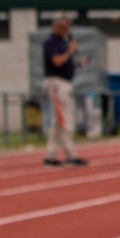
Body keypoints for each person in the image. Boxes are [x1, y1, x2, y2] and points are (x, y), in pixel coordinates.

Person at [41, 16, 86, 167]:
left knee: (58, 122)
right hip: (56, 84)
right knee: (65, 120)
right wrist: (69, 51)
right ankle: (70, 155)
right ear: (57, 26)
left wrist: (78, 63)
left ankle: (50, 155)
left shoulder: (62, 42)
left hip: (64, 83)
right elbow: (57, 61)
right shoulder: (51, 42)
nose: (67, 30)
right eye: (65, 27)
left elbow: (65, 63)